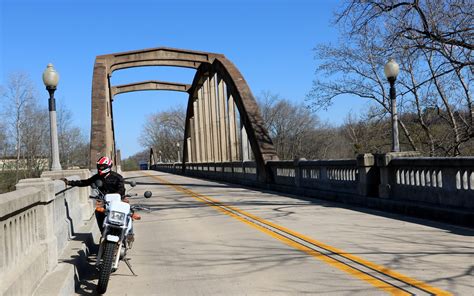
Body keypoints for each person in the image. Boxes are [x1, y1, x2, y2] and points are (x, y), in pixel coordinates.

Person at [61, 156, 127, 231]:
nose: (100, 168)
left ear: (108, 166)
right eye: (99, 166)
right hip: (104, 201)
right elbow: (85, 182)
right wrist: (69, 182)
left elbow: (122, 189)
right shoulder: (97, 177)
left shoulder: (117, 177)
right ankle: (103, 232)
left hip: (117, 201)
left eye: (102, 167)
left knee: (127, 213)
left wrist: (116, 195)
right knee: (98, 212)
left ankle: (126, 231)